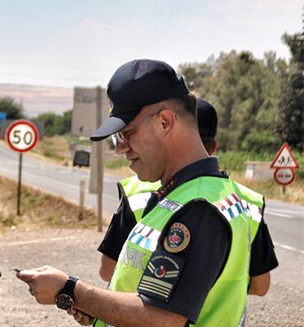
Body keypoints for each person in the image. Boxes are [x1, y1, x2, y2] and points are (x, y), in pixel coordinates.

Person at [17, 59, 273, 327]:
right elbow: (143, 296)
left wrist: (70, 289)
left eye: (127, 133)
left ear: (166, 122)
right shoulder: (170, 197)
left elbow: (161, 320)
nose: (121, 148)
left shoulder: (199, 208)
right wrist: (85, 305)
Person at [98, 98, 278, 296]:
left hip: (141, 321)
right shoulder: (245, 202)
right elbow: (260, 286)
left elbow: (107, 271)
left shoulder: (137, 192)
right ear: (214, 146)